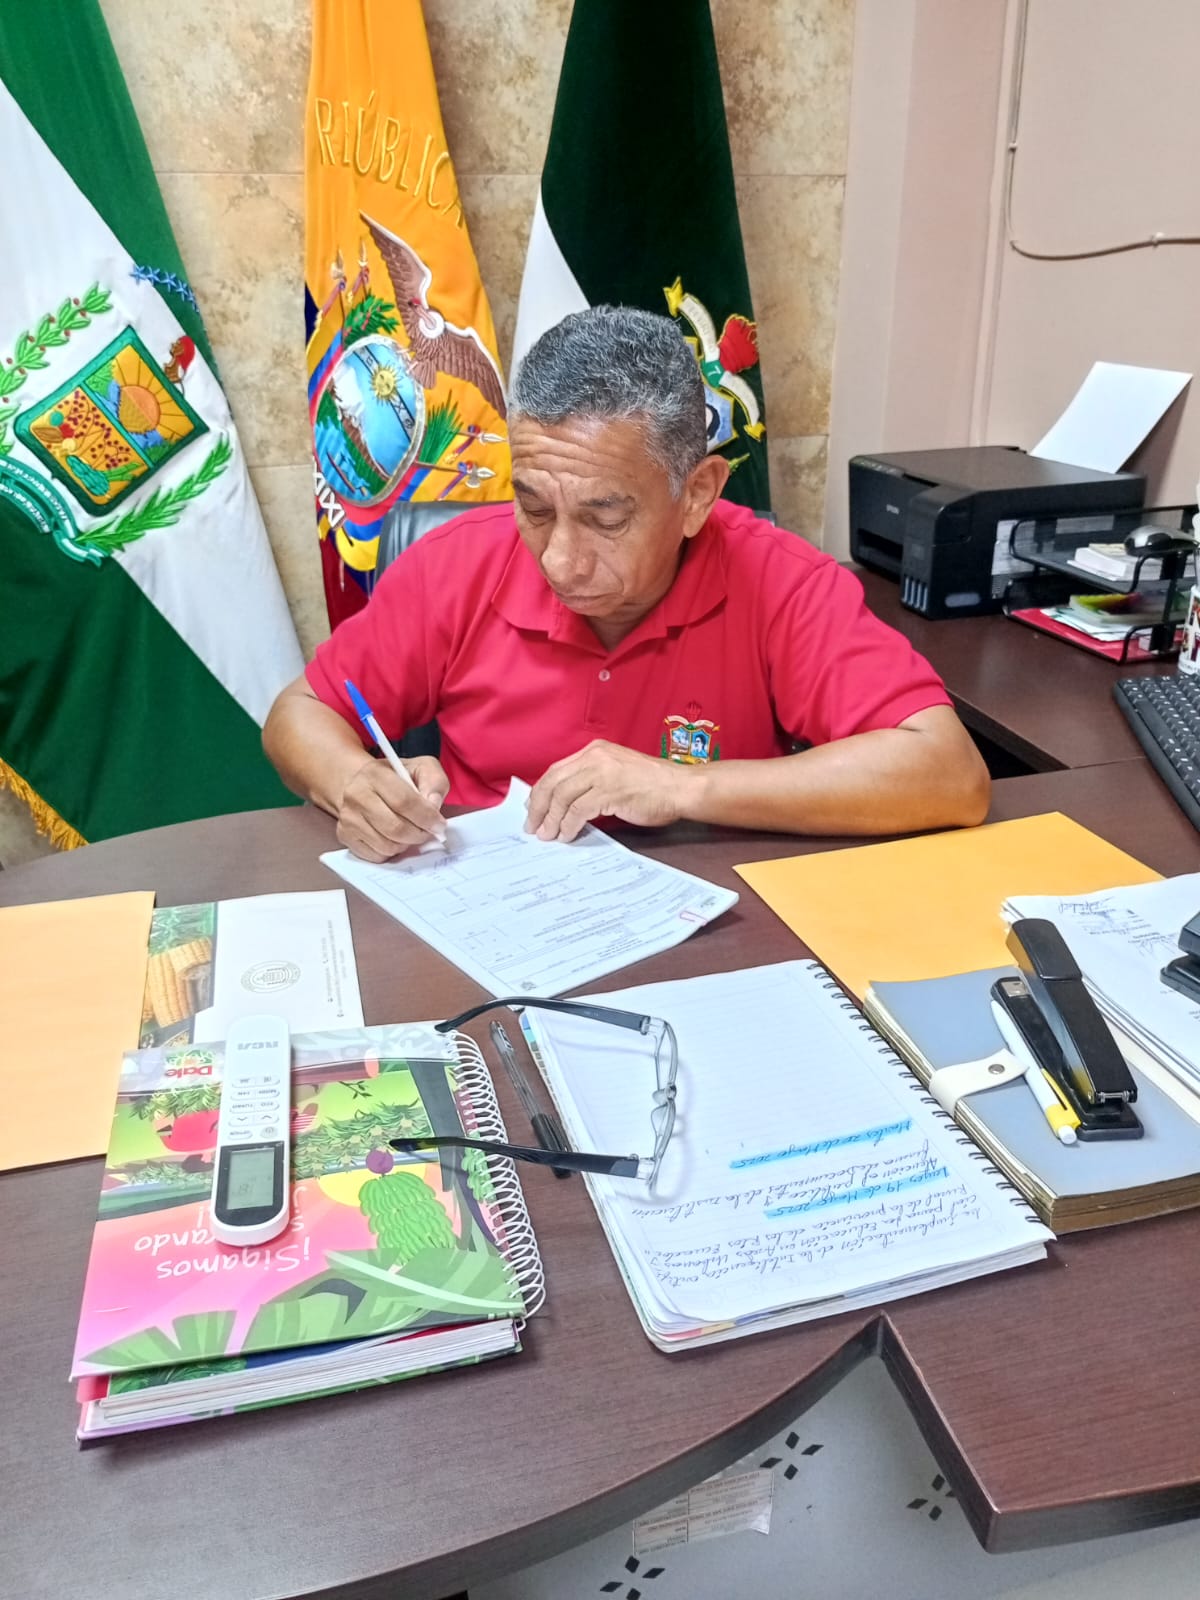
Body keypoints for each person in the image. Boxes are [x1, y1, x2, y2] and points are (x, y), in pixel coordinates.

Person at [264, 307, 989, 861]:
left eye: (605, 518)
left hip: (712, 919)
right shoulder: (456, 565)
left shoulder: (779, 580)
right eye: (535, 509)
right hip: (486, 905)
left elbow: (950, 774)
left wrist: (680, 786)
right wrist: (356, 783)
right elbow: (300, 713)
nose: (560, 562)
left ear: (697, 495)